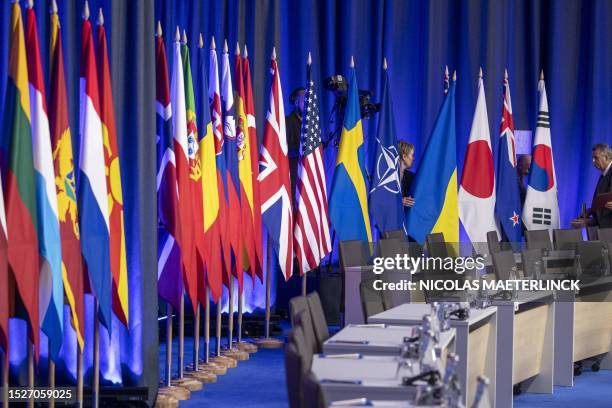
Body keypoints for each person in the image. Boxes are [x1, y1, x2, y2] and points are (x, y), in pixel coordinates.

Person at [286, 87, 305, 202]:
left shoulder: (311, 125)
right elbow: (284, 150)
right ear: (296, 102)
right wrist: (302, 149)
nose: (307, 105)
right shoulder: (287, 121)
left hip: (307, 174)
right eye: (304, 102)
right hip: (293, 174)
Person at [591, 143, 612, 228]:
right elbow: (602, 202)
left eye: (596, 158)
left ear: (606, 157)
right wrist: (591, 213)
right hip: (604, 231)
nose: (593, 161)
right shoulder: (604, 174)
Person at [398, 141, 415, 208]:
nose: (413, 159)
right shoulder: (387, 177)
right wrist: (399, 201)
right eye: (412, 155)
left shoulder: (410, 177)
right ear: (404, 156)